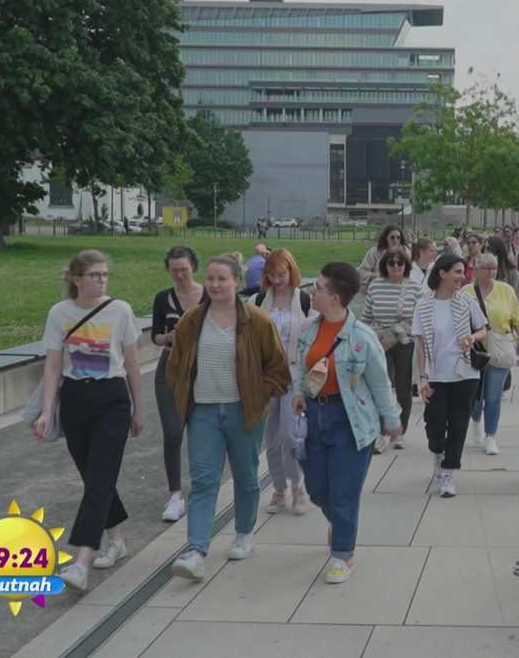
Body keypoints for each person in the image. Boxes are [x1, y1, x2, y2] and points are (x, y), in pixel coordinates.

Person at [166, 255, 292, 581]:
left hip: (243, 411)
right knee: (204, 480)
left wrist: (258, 394)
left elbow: (278, 371)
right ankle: (195, 550)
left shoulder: (257, 321)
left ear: (237, 281)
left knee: (246, 476)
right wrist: (184, 398)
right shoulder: (192, 320)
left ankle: (244, 531)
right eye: (210, 279)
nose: (215, 285)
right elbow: (175, 368)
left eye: (222, 279)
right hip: (203, 412)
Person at [38, 250, 144, 592]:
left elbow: (131, 364)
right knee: (93, 475)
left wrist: (139, 409)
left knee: (99, 476)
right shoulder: (60, 314)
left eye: (105, 275)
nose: (101, 280)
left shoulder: (121, 311)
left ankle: (80, 562)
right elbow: (53, 366)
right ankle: (116, 539)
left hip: (111, 399)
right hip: (75, 400)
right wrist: (45, 410)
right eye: (95, 275)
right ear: (76, 279)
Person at [291, 262, 403, 583]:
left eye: (319, 288)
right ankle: (339, 523)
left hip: (351, 422)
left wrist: (392, 420)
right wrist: (300, 392)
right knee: (316, 488)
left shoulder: (362, 338)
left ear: (335, 298)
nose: (312, 292)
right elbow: (304, 367)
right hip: (314, 416)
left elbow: (381, 384)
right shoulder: (310, 328)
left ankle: (343, 555)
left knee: (344, 493)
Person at [413, 254, 488, 496]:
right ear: (442, 273)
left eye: (462, 272)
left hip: (465, 373)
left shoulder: (466, 301)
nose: (461, 277)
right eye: (457, 272)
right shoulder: (423, 305)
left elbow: (483, 329)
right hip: (436, 374)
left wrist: (472, 338)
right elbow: (420, 344)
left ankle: (448, 471)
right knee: (434, 425)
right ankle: (438, 451)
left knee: (458, 425)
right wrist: (422, 377)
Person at [248, 249, 313, 514]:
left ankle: (298, 485)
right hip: (265, 378)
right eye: (272, 275)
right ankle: (278, 489)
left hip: (294, 377)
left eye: (282, 275)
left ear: (291, 272)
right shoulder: (258, 300)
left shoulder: (305, 299)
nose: (277, 280)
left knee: (292, 434)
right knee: (271, 438)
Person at [151, 246, 209, 522]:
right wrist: (168, 337)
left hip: (203, 370)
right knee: (173, 432)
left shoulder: (210, 295)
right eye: (174, 271)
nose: (179, 275)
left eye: (183, 270)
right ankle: (175, 494)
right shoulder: (163, 298)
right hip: (170, 370)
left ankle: (201, 488)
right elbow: (155, 336)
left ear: (194, 267)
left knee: (201, 432)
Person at [463, 253, 519, 456]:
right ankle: (476, 420)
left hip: (499, 347)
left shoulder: (506, 290)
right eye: (486, 268)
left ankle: (491, 436)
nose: (491, 271)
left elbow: (517, 317)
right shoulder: (466, 292)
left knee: (493, 395)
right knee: (474, 396)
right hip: (473, 350)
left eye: (493, 268)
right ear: (477, 270)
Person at [360, 249, 420, 450]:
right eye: (391, 263)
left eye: (400, 263)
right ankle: (381, 431)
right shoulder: (375, 286)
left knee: (404, 388)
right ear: (384, 265)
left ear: (406, 266)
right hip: (380, 340)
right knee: (379, 385)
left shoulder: (413, 287)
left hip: (404, 339)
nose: (396, 266)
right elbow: (366, 317)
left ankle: (400, 430)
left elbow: (421, 316)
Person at [358, 225, 406, 292]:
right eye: (392, 237)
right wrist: (373, 275)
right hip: (378, 290)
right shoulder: (375, 252)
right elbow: (361, 272)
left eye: (398, 237)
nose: (395, 240)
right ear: (386, 238)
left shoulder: (405, 252)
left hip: (399, 290)